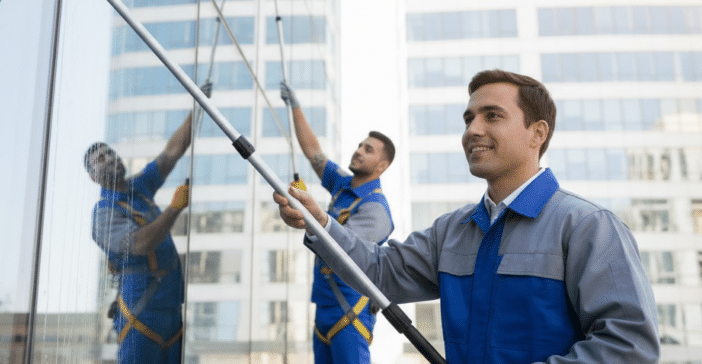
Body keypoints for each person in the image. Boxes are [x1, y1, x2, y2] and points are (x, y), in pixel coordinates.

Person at [274, 70, 661, 364]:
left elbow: (628, 346)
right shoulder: (452, 231)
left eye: (492, 116)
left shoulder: (588, 227)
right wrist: (321, 225)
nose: (472, 130)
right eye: (468, 118)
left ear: (537, 133)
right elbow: (378, 273)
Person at [85, 82, 211, 364]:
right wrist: (174, 209)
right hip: (141, 312)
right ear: (94, 177)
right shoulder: (104, 214)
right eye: (100, 159)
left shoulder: (138, 188)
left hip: (169, 308)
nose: (109, 158)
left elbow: (172, 152)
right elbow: (139, 244)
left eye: (110, 152)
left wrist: (198, 107)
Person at [279, 80, 395, 364]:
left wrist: (307, 213)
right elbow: (313, 152)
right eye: (360, 145)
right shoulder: (342, 185)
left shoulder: (376, 210)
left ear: (382, 166)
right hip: (324, 306)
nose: (359, 151)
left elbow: (341, 246)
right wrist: (295, 107)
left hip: (351, 309)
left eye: (369, 150)